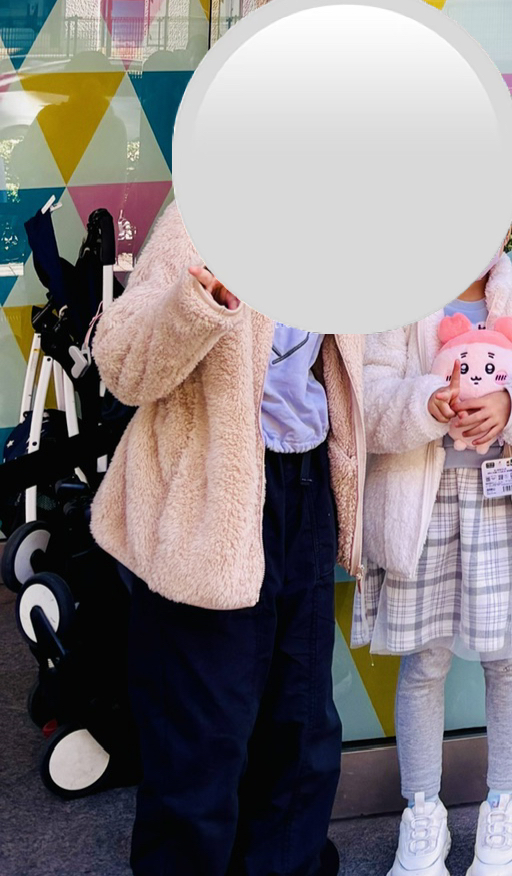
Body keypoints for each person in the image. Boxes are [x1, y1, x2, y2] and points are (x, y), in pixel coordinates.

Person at [90, 199, 364, 876]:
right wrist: (198, 304)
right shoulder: (203, 218)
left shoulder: (344, 235)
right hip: (210, 497)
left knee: (302, 728)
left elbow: (349, 380)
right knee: (202, 737)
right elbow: (121, 365)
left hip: (304, 489)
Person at [358, 248, 512, 876]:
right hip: (422, 505)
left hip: (506, 504)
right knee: (423, 663)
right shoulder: (400, 298)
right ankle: (421, 813)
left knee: (509, 661)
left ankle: (504, 808)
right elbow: (367, 398)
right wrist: (425, 403)